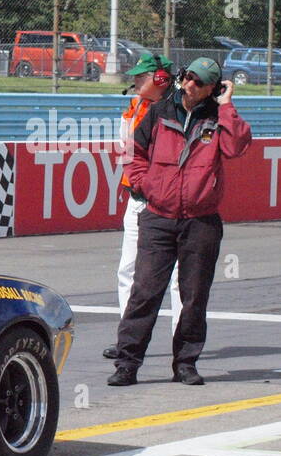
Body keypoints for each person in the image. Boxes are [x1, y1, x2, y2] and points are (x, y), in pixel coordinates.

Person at [108, 57, 252, 386]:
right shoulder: (159, 112)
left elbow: (237, 146)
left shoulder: (219, 118)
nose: (189, 85)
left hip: (201, 221)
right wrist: (147, 185)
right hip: (158, 216)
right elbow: (134, 153)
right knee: (144, 292)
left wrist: (227, 106)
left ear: (213, 89)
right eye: (187, 77)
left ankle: (186, 363)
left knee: (194, 294)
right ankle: (126, 364)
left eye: (199, 82)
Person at [102, 51, 181, 359]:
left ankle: (181, 341)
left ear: (160, 79)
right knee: (128, 270)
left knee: (178, 278)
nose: (134, 81)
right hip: (136, 200)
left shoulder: (175, 111)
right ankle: (128, 340)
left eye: (141, 76)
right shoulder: (134, 106)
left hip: (164, 204)